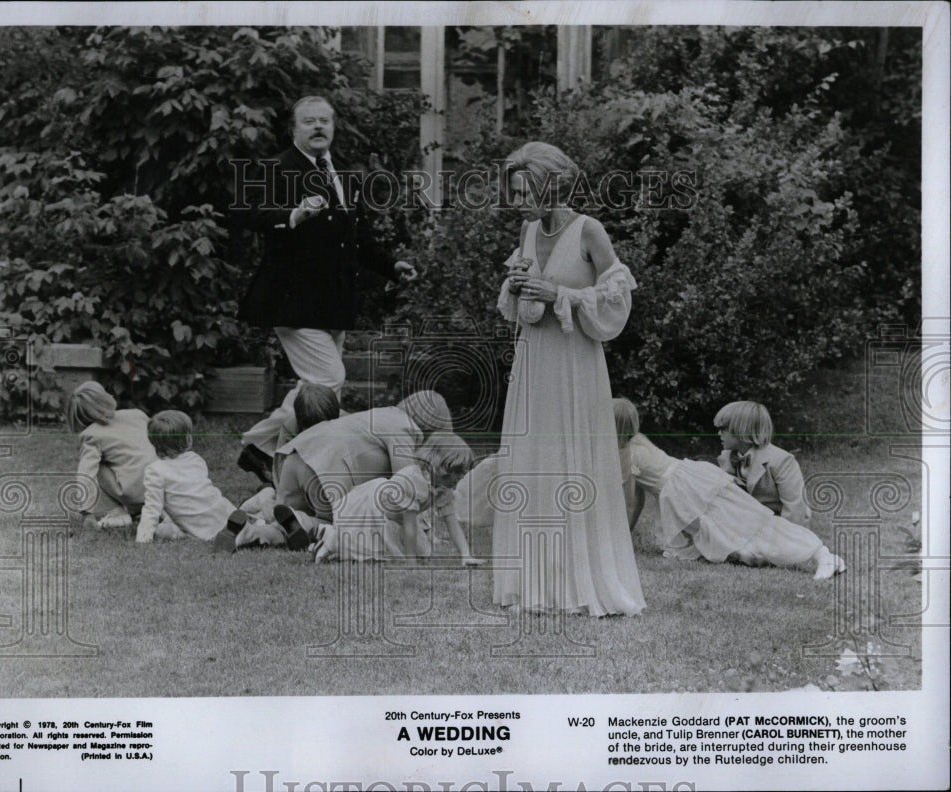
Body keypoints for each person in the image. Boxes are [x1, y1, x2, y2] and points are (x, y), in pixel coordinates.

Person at [491, 142, 645, 618]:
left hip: (575, 362)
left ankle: (583, 581)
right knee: (535, 455)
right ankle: (538, 583)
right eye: (514, 194)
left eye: (525, 192)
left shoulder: (589, 230)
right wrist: (519, 287)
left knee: (572, 455)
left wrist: (560, 292)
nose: (519, 203)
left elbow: (616, 297)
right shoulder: (526, 229)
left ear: (551, 185)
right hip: (535, 360)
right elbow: (522, 308)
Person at [231, 95, 417, 479]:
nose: (318, 127)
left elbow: (356, 238)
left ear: (333, 127)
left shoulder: (340, 172)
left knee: (313, 384)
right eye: (309, 121)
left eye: (324, 121)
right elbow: (247, 213)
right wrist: (293, 215)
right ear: (294, 129)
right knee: (328, 381)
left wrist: (390, 266)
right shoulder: (278, 169)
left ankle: (262, 450)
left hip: (333, 301)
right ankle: (262, 446)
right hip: (292, 299)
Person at [613, 399, 845, 579]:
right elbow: (638, 496)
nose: (718, 434)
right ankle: (812, 552)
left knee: (758, 536)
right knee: (735, 544)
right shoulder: (638, 442)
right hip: (687, 485)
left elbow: (630, 500)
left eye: (724, 429)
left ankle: (819, 553)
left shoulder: (627, 452)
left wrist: (620, 537)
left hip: (687, 488)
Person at [273, 390, 453, 524]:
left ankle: (254, 528)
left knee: (280, 519)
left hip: (296, 455)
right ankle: (308, 526)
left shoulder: (378, 416)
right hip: (326, 469)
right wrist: (422, 526)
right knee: (333, 525)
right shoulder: (404, 428)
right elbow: (405, 486)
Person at [312, 432, 483, 566]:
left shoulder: (442, 487)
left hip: (397, 518)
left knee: (415, 554)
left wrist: (465, 554)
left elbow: (452, 522)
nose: (459, 478)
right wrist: (410, 564)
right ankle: (331, 539)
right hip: (375, 508)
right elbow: (409, 525)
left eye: (462, 473)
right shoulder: (414, 481)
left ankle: (329, 539)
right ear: (439, 466)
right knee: (362, 547)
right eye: (455, 472)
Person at [136, 410, 255, 545]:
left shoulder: (155, 470)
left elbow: (152, 508)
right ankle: (248, 526)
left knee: (162, 530)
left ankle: (191, 533)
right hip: (221, 510)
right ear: (187, 439)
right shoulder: (196, 459)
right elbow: (190, 494)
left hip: (198, 524)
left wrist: (143, 539)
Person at [66, 381, 156, 530]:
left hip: (135, 493)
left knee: (96, 465)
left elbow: (86, 474)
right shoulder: (137, 414)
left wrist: (86, 512)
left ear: (78, 418)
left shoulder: (91, 435)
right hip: (162, 486)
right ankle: (145, 511)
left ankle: (117, 513)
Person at [713, 401, 812, 527]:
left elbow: (796, 509)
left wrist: (786, 542)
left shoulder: (781, 460)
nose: (719, 434)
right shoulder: (727, 458)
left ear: (741, 430)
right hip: (743, 527)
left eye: (723, 429)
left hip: (776, 529)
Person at [238, 383, 340, 484]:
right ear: (300, 423)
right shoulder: (290, 428)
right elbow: (280, 464)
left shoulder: (342, 423)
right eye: (310, 429)